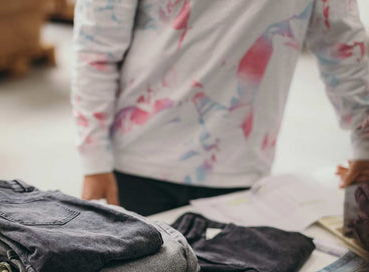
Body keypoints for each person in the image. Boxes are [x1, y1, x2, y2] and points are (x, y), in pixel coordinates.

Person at [72, 0, 369, 216]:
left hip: (239, 164)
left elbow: (342, 43)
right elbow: (96, 48)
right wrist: (94, 159)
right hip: (136, 161)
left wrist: (364, 140)